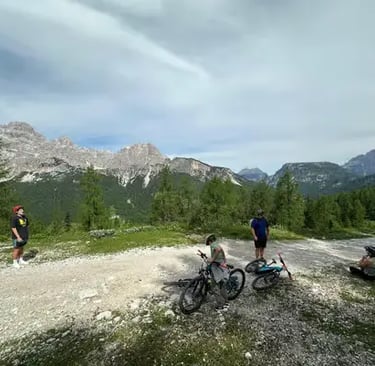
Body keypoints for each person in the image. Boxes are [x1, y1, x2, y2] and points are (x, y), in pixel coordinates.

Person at [205, 234, 230, 311]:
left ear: (209, 241)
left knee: (214, 287)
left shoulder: (213, 245)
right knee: (221, 284)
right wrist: (225, 260)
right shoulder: (216, 243)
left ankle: (221, 305)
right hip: (221, 265)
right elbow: (221, 250)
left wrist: (212, 259)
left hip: (217, 266)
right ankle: (226, 302)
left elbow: (218, 249)